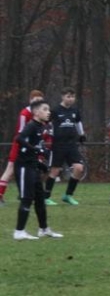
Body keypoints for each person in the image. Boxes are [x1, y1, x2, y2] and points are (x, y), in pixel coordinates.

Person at [12, 98, 63, 240]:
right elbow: (19, 138)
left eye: (48, 110)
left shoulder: (41, 127)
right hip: (23, 167)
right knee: (27, 198)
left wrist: (41, 163)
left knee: (40, 199)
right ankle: (19, 232)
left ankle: (43, 229)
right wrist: (35, 150)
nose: (48, 112)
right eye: (45, 109)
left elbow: (34, 148)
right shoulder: (31, 126)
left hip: (32, 166)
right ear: (35, 112)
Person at [0, 89, 45, 205]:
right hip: (20, 146)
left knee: (32, 170)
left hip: (31, 147)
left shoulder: (41, 115)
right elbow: (20, 134)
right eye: (36, 100)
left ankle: (25, 194)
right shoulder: (24, 114)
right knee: (10, 170)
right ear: (30, 100)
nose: (38, 103)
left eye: (40, 101)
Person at [48, 88, 87, 206]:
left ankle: (68, 195)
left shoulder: (75, 110)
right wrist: (48, 135)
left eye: (72, 97)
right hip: (58, 144)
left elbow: (78, 122)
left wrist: (81, 134)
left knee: (79, 168)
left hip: (71, 144)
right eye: (68, 96)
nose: (70, 99)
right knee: (55, 170)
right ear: (62, 97)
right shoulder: (55, 110)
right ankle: (46, 196)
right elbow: (47, 123)